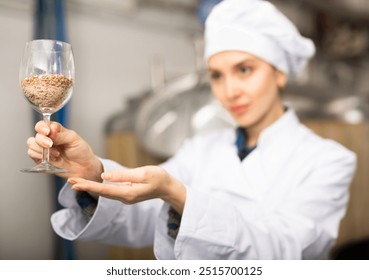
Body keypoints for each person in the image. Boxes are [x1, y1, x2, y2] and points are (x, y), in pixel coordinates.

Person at [27, 0, 356, 259]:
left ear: (280, 73)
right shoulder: (202, 147)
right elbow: (144, 214)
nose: (230, 90)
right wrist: (95, 175)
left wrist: (178, 195)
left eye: (244, 69)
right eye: (217, 75)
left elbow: (287, 251)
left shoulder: (328, 159)